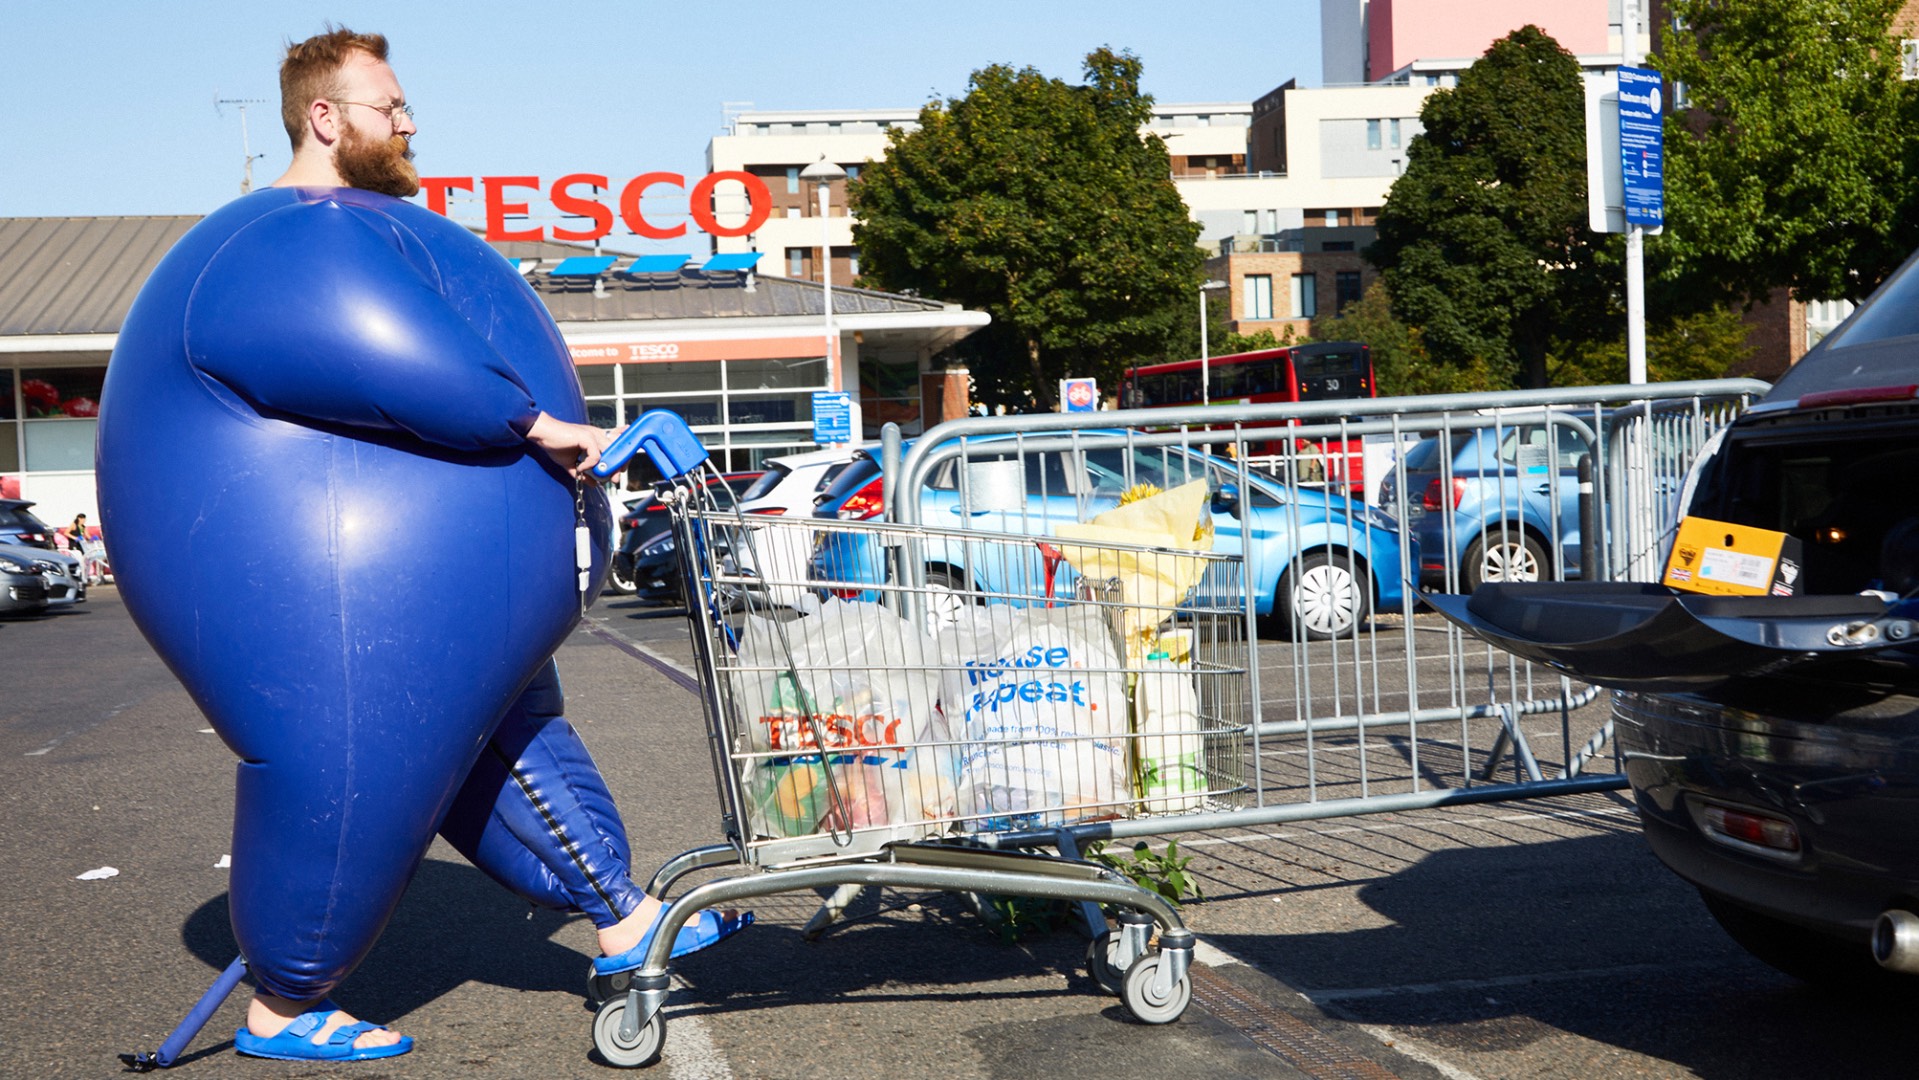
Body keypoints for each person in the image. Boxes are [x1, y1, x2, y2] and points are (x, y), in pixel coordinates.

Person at [99, 27, 743, 1064]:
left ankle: (622, 917)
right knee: (354, 750)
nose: (409, 123)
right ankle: (284, 1003)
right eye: (388, 107)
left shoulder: (375, 232)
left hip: (446, 608)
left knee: (499, 735)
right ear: (324, 116)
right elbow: (382, 353)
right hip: (330, 609)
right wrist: (536, 426)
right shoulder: (269, 245)